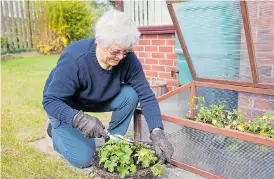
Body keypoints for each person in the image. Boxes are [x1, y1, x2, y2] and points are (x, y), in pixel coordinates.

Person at [42, 9, 174, 169]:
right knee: (85, 159)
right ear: (99, 41)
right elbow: (50, 100)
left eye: (125, 51)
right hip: (65, 104)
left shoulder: (128, 59)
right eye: (115, 52)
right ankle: (53, 130)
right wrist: (79, 120)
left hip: (95, 97)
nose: (120, 57)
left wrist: (157, 131)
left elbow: (145, 95)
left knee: (131, 94)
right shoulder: (75, 58)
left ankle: (113, 140)